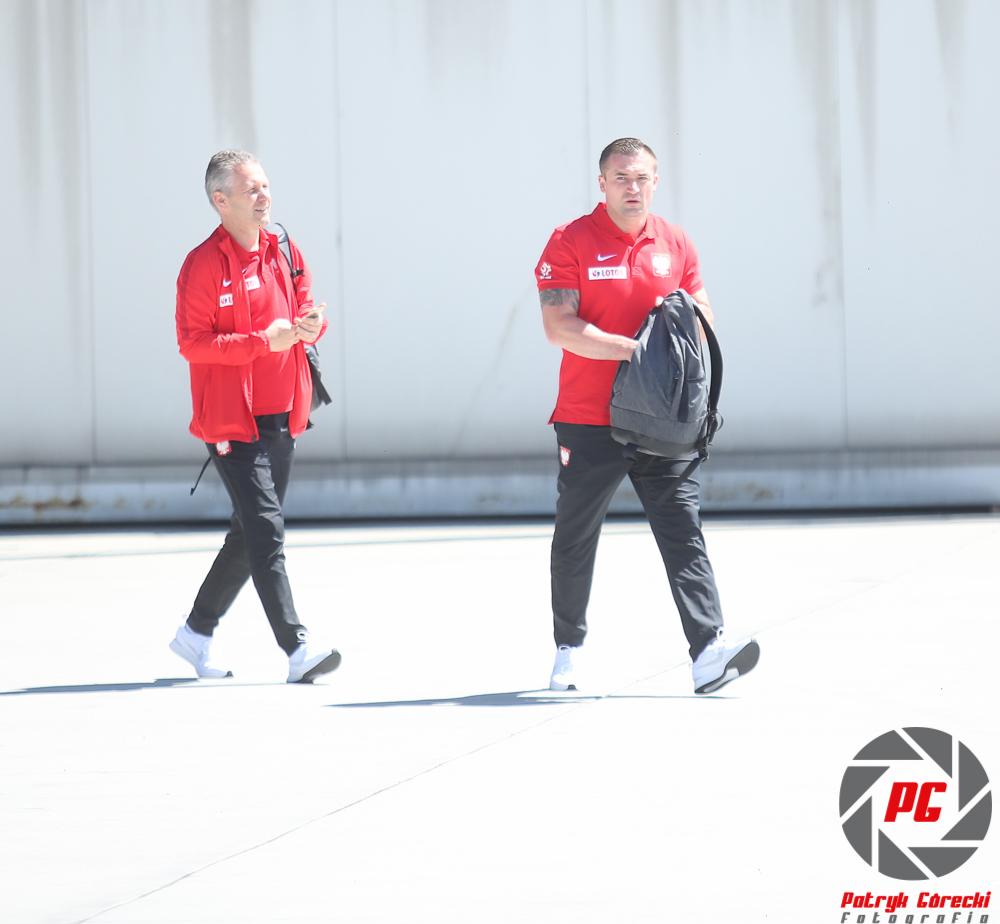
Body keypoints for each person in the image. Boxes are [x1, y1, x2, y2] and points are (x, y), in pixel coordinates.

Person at [534, 137, 759, 694]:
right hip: (590, 418)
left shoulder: (675, 242)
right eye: (621, 178)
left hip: (662, 419)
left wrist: (681, 322)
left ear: (656, 182)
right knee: (575, 534)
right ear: (602, 184)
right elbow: (559, 327)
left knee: (683, 529)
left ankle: (708, 653)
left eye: (641, 178)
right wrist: (636, 351)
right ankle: (568, 650)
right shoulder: (570, 240)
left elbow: (704, 313)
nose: (632, 188)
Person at [170, 150, 341, 684]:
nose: (264, 196)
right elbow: (192, 344)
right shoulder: (202, 265)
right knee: (266, 529)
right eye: (252, 189)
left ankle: (195, 633)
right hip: (231, 421)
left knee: (249, 532)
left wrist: (310, 324)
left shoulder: (283, 247)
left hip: (283, 412)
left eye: (265, 185)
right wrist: (262, 342)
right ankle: (297, 647)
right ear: (221, 200)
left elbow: (306, 307)